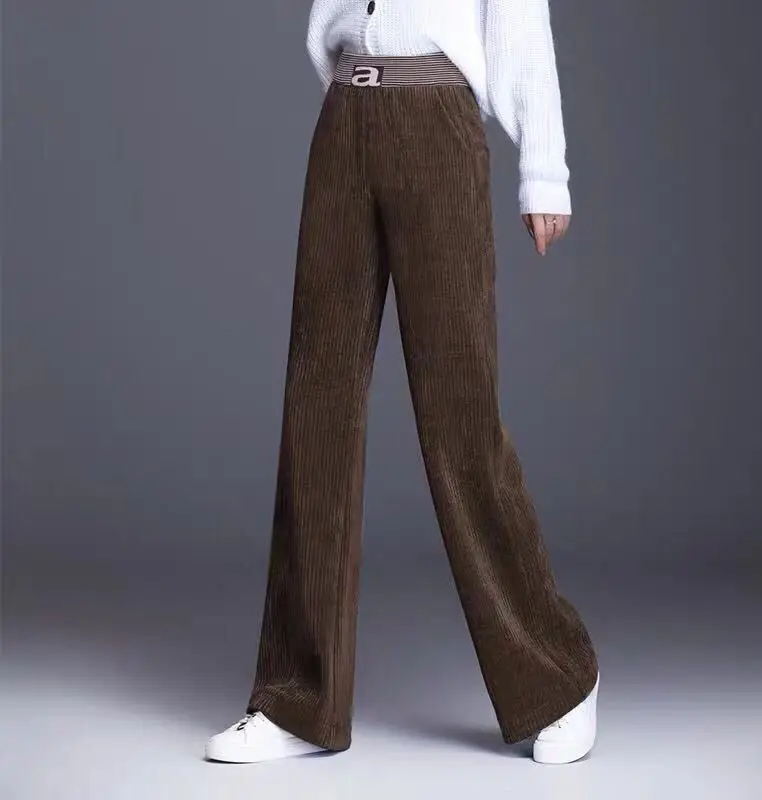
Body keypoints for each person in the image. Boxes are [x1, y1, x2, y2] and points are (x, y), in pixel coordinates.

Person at [205, 0, 600, 766]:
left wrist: (544, 171)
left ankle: (559, 678)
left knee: (459, 417)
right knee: (315, 407)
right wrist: (351, 86)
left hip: (436, 119)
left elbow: (519, 19)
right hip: (346, 120)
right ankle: (297, 698)